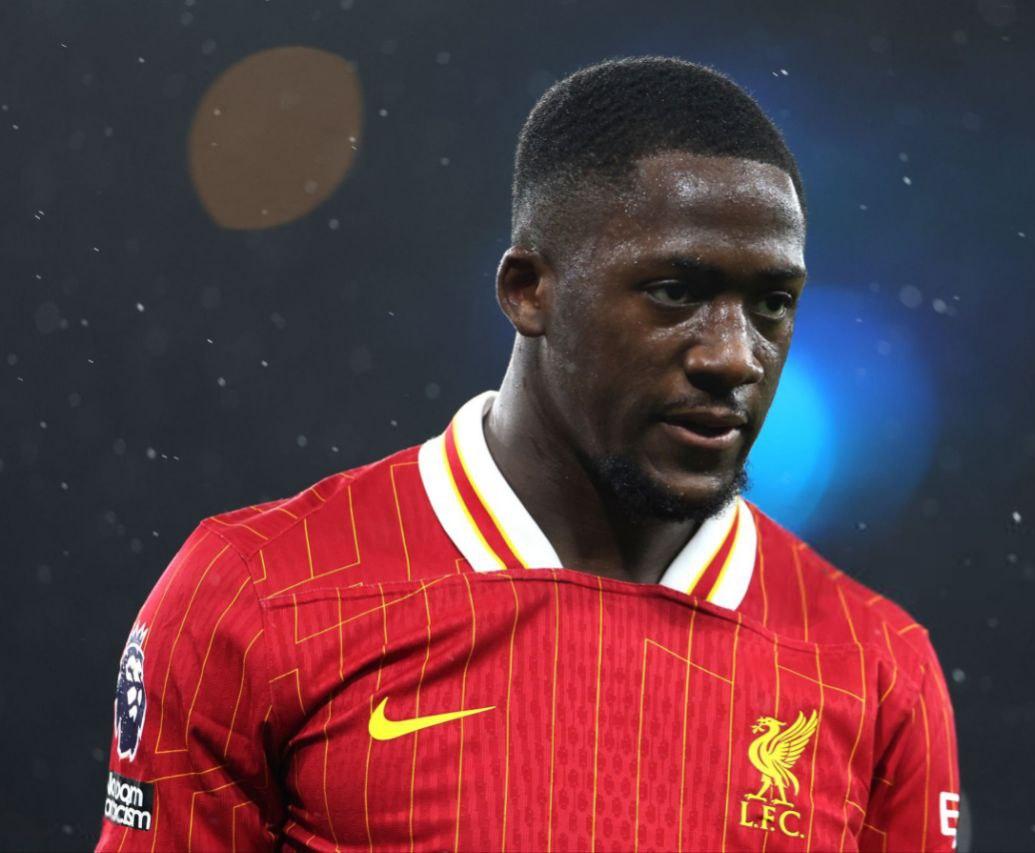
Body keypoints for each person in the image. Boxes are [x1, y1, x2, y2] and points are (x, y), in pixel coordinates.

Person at [97, 56, 960, 851]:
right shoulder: (254, 594)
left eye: (772, 303)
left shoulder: (877, 668)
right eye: (675, 291)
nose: (734, 356)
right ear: (527, 290)